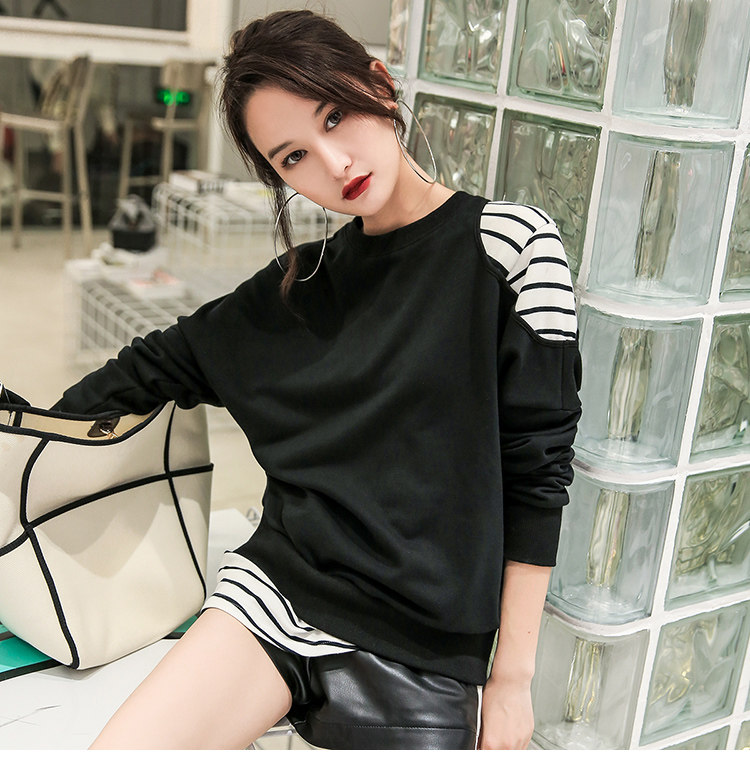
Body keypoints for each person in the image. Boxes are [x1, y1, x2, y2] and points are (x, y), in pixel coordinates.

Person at [53, 9, 582, 751]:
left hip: (424, 640)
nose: (334, 163)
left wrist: (512, 681)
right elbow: (153, 366)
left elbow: (538, 475)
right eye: (294, 156)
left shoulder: (509, 247)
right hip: (276, 592)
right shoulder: (303, 284)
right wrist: (26, 445)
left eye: (335, 116)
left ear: (380, 86)